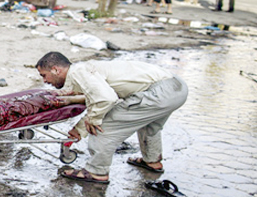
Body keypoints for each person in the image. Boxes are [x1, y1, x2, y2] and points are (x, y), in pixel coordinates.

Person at [36, 52, 188, 184]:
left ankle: (96, 172)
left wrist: (90, 121)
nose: (45, 81)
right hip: (176, 88)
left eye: (44, 75)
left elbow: (106, 99)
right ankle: (152, 161)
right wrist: (72, 103)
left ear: (56, 70)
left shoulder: (79, 73)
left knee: (103, 127)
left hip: (160, 92)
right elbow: (99, 95)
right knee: (149, 125)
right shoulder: (85, 68)